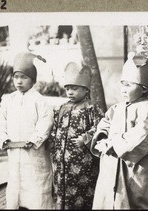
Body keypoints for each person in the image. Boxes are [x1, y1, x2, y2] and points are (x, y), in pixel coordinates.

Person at [90, 52, 148, 209]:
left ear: (144, 89)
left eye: (129, 85)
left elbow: (141, 137)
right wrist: (101, 137)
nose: (123, 89)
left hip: (135, 174)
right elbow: (105, 123)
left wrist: (112, 144)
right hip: (111, 169)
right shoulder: (117, 108)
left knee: (133, 203)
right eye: (122, 84)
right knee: (108, 202)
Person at [0, 52, 54, 209]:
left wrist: (34, 140)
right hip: (14, 152)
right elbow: (1, 123)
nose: (19, 81)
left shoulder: (39, 101)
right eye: (16, 77)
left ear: (33, 80)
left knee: (36, 184)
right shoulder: (9, 100)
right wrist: (3, 139)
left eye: (24, 77)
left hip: (34, 152)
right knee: (16, 182)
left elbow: (45, 122)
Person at [48, 62, 105, 209]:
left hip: (82, 163)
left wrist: (86, 138)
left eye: (74, 88)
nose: (70, 92)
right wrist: (52, 143)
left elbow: (101, 128)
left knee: (82, 193)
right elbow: (55, 128)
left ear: (85, 90)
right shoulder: (61, 108)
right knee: (62, 190)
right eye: (67, 89)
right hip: (61, 162)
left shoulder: (91, 108)